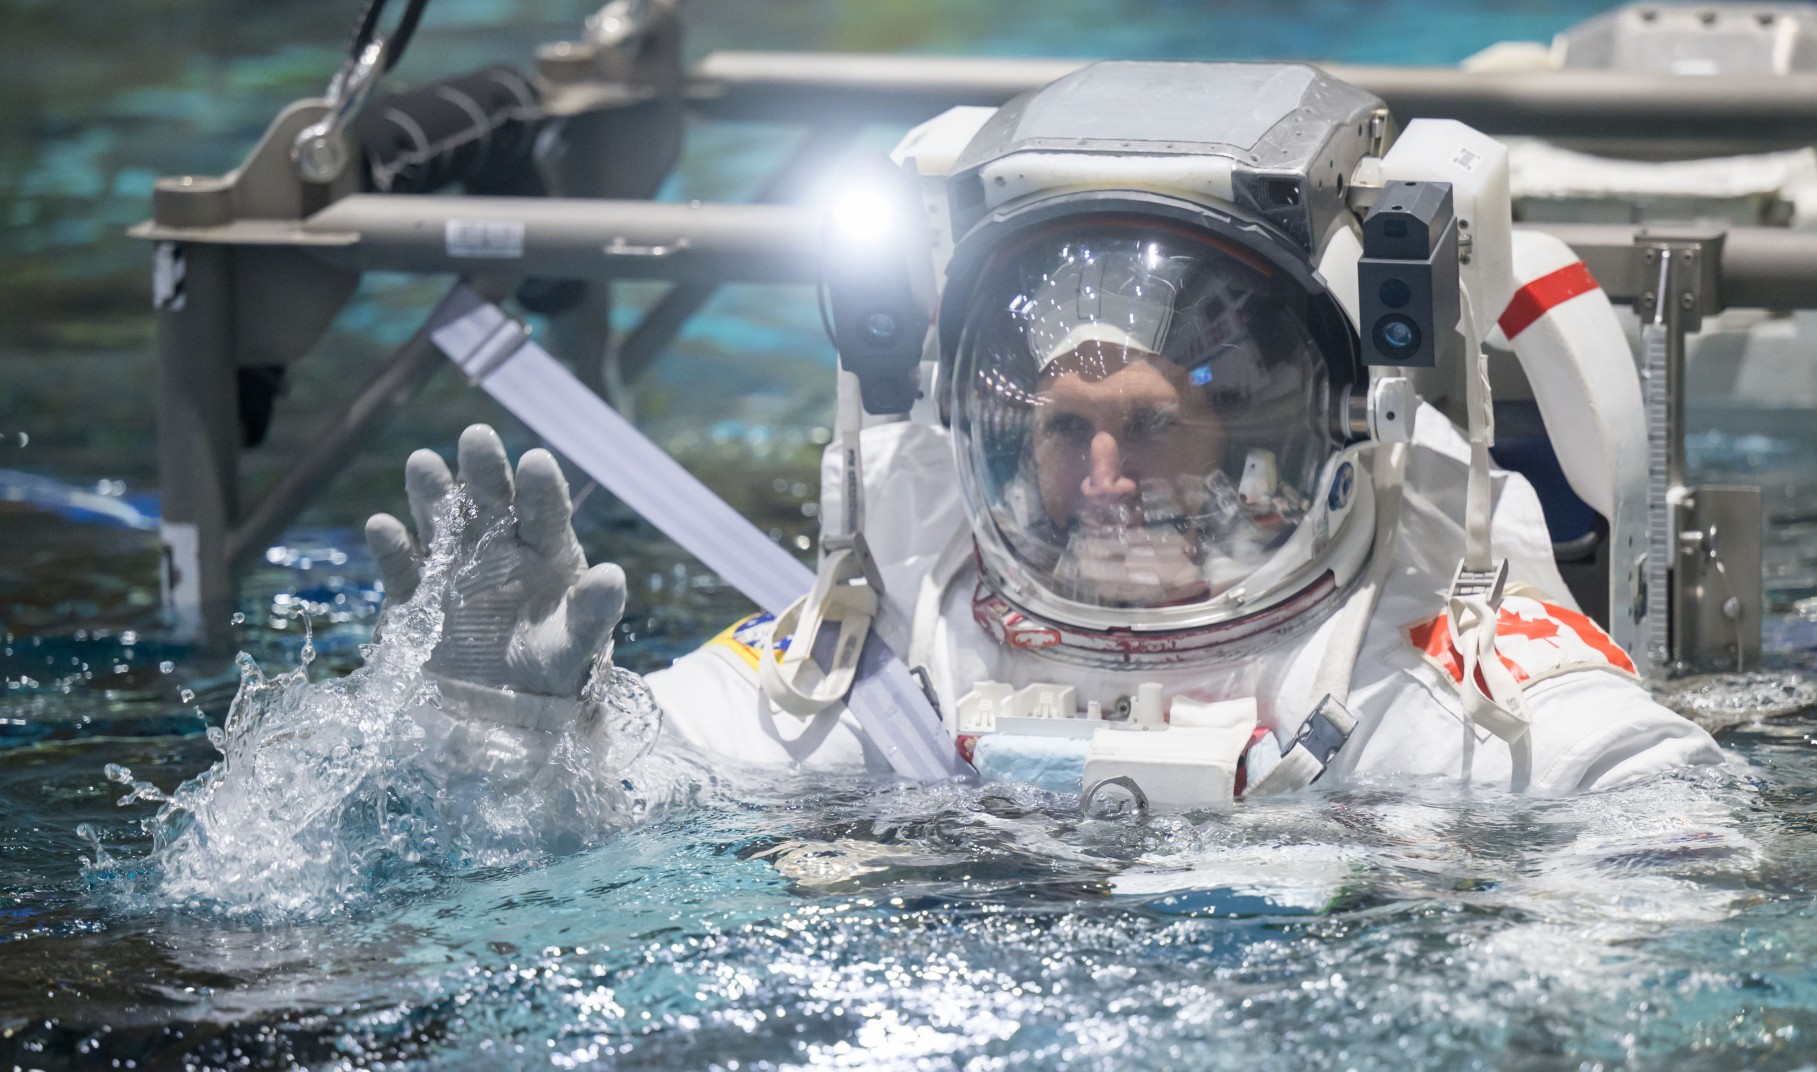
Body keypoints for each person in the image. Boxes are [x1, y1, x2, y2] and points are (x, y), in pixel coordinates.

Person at [363, 62, 1726, 810]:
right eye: (1066, 431)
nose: (1107, 479)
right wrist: (527, 732)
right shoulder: (907, 638)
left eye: (1153, 426)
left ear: (1317, 432)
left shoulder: (1409, 661)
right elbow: (659, 767)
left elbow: (1657, 814)